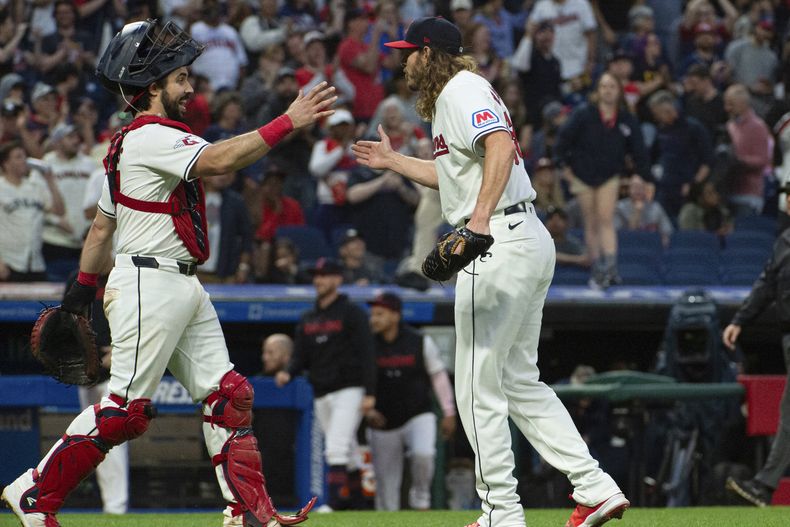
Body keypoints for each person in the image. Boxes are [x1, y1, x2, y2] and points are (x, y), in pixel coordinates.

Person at [0, 18, 335, 527]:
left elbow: (99, 231)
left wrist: (81, 295)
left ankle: (246, 513)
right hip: (148, 282)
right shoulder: (149, 135)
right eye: (181, 79)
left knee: (229, 395)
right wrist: (287, 121)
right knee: (125, 410)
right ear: (152, 86)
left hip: (177, 282)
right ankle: (35, 493)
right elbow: (220, 160)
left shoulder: (128, 146)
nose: (190, 87)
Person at [352, 17, 628, 527]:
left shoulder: (461, 88)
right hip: (522, 235)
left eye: (410, 52)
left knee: (477, 388)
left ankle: (501, 512)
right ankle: (594, 487)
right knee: (519, 381)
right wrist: (395, 162)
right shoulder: (454, 98)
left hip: (497, 239)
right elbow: (456, 174)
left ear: (431, 53)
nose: (404, 60)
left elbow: (499, 143)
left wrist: (477, 222)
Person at [275, 257, 376, 512]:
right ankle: (359, 505)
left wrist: (370, 393)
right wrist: (288, 372)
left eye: (325, 275)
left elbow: (367, 353)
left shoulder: (352, 312)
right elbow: (300, 355)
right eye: (316, 275)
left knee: (336, 446)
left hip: (349, 388)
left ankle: (333, 503)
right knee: (349, 449)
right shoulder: (309, 317)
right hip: (321, 390)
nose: (319, 280)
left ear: (338, 279)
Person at [723, 190, 790, 507]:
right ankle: (764, 486)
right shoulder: (784, 242)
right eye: (789, 197)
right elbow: (766, 284)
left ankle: (764, 485)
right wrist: (740, 320)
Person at [554, 72, 650, 289]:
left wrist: (642, 175)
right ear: (597, 91)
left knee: (606, 219)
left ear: (619, 91)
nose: (607, 90)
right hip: (582, 174)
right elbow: (563, 140)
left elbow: (639, 150)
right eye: (603, 86)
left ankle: (611, 269)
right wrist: (563, 168)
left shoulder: (626, 119)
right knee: (591, 222)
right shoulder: (583, 114)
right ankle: (597, 269)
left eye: (612, 86)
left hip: (609, 175)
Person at [365, 291, 457, 511]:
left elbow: (438, 375)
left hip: (418, 413)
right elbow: (357, 381)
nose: (374, 319)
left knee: (423, 455)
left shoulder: (419, 340)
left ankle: (421, 501)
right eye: (373, 314)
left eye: (380, 314)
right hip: (382, 419)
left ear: (396, 316)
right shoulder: (367, 345)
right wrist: (366, 411)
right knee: (386, 483)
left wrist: (448, 411)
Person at [0, 144, 65, 282]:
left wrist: (50, 181)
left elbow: (59, 211)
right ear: (5, 163)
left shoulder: (35, 186)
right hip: (8, 262)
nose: (24, 160)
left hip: (35, 263)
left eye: (24, 156)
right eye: (18, 157)